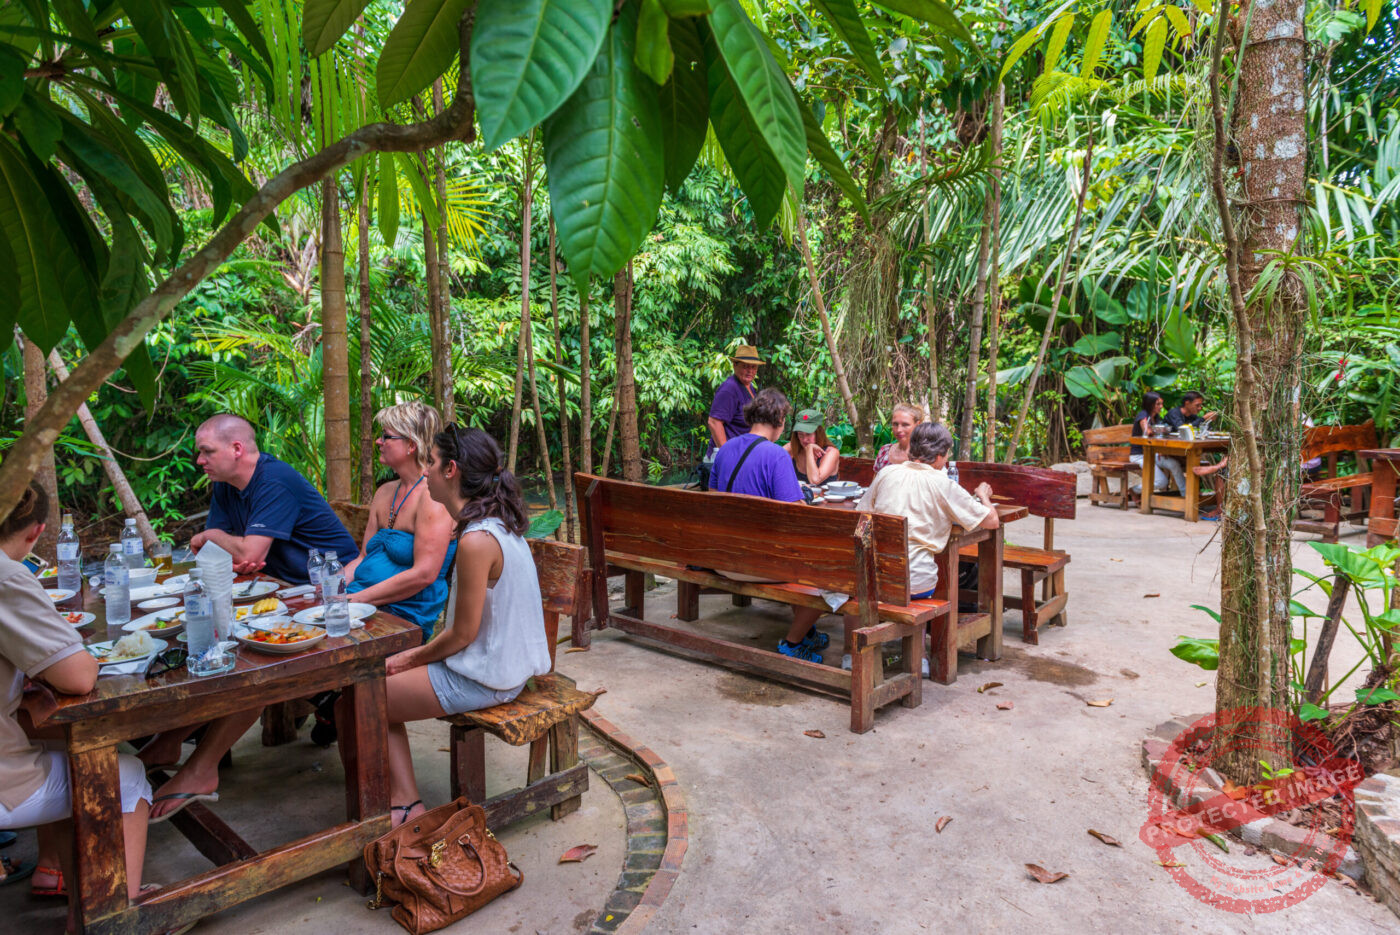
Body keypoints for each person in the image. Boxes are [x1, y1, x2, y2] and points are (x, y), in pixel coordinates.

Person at [379, 425, 552, 827]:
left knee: (366, 696)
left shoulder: (477, 539)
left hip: (487, 677)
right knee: (369, 689)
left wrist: (408, 659)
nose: (426, 472)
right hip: (503, 667)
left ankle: (404, 805)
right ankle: (400, 799)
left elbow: (462, 635)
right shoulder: (496, 522)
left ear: (451, 469)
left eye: (432, 462)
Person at [1, 483, 151, 902]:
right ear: (37, 532)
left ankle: (74, 902)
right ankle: (121, 914)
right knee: (127, 775)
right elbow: (80, 677)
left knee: (74, 752)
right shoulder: (6, 574)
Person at [710, 389, 831, 660]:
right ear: (780, 421)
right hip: (757, 565)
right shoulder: (775, 456)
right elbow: (796, 515)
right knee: (831, 570)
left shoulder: (725, 449)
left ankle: (807, 631)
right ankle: (794, 642)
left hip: (722, 558)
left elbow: (712, 500)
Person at [192, 414, 358, 581]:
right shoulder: (225, 482)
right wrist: (227, 555)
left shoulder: (275, 481)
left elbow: (247, 554)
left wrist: (208, 536)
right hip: (280, 583)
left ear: (237, 449)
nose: (200, 460)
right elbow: (215, 552)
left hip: (333, 583)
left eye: (208, 451)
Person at [344, 402, 457, 637]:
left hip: (402, 617)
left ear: (411, 445)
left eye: (386, 436)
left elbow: (424, 574)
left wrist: (355, 600)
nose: (378, 442)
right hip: (361, 605)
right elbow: (364, 557)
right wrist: (327, 589)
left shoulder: (433, 496)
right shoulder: (385, 492)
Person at [857, 423, 1000, 600]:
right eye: (947, 454)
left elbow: (861, 521)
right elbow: (992, 521)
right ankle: (933, 627)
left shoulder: (886, 473)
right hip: (914, 581)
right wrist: (983, 495)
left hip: (872, 575)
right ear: (939, 456)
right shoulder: (943, 484)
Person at [705, 345, 763, 451]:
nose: (750, 371)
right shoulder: (729, 389)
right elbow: (714, 422)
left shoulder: (749, 387)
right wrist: (726, 453)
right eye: (745, 366)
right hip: (728, 457)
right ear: (735, 365)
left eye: (753, 367)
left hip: (742, 454)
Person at [1129, 392, 1186, 495]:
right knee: (1162, 482)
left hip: (1153, 454)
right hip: (1140, 455)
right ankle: (1134, 489)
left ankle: (1185, 493)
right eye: (1158, 404)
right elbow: (1147, 431)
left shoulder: (1157, 418)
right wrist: (1155, 431)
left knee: (1174, 464)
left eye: (1161, 404)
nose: (1161, 406)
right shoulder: (1143, 415)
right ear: (1150, 404)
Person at [786, 409, 840, 485]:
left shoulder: (831, 452)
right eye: (800, 434)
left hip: (827, 496)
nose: (804, 440)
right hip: (799, 496)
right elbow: (770, 462)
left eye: (808, 434)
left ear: (818, 433)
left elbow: (814, 480)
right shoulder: (793, 447)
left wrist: (809, 450)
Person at [873, 403, 924, 473]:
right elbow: (876, 481)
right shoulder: (885, 451)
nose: (898, 430)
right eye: (895, 424)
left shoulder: (926, 454)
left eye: (905, 424)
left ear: (917, 425)